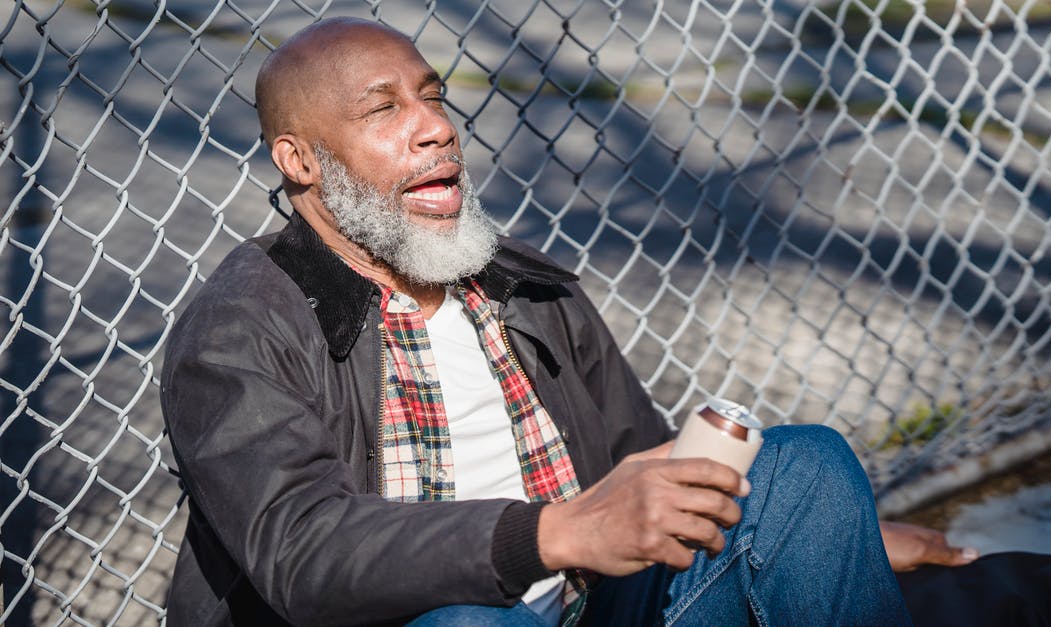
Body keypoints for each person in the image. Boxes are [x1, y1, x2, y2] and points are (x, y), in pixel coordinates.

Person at [160, 16, 968, 626]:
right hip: (436, 616)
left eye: (433, 96)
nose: (437, 126)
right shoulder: (238, 331)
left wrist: (820, 535)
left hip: (593, 601)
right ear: (301, 160)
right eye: (383, 110)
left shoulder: (516, 283)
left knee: (810, 467)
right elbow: (304, 552)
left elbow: (637, 457)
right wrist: (547, 534)